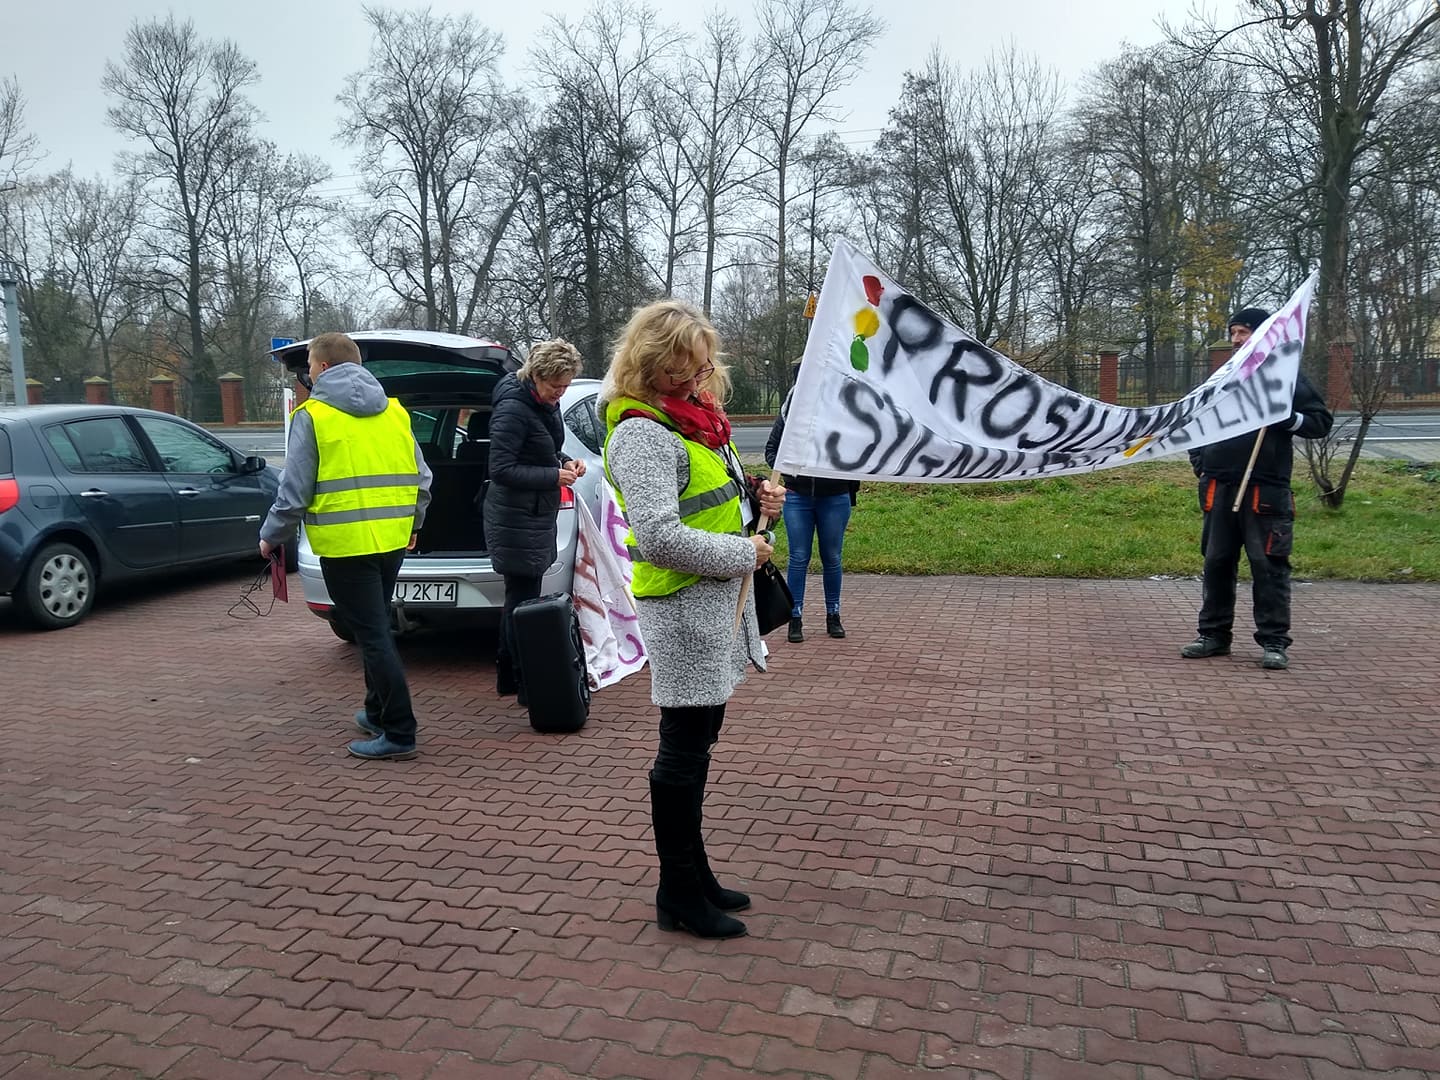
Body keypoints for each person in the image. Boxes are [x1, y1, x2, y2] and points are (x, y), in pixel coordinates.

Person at [600, 299, 785, 940]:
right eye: (684, 369)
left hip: (717, 610)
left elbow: (713, 509)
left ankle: (693, 873)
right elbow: (658, 538)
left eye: (703, 367)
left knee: (700, 744)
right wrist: (747, 551)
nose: (698, 379)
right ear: (651, 366)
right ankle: (677, 889)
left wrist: (760, 502)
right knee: (682, 749)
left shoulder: (700, 424)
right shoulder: (640, 434)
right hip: (681, 609)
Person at [259, 332, 433, 760]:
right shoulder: (394, 412)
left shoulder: (313, 415)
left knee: (372, 634)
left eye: (310, 367)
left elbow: (294, 489)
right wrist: (413, 524)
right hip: (391, 539)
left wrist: (271, 534)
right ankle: (377, 712)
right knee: (375, 627)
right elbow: (423, 480)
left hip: (344, 544)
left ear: (319, 367)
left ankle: (399, 731)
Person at [1180, 307, 1334, 671]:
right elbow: (1194, 421)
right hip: (1219, 485)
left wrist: (1289, 419)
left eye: (1243, 331)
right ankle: (1214, 635)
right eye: (1233, 332)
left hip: (1266, 489)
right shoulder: (1223, 377)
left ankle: (1274, 641)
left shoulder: (1286, 378)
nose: (1235, 339)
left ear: (1264, 334)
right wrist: (1201, 462)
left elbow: (1320, 421)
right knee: (1217, 562)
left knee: (1268, 566)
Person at [483, 339, 587, 701]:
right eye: (555, 385)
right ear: (536, 376)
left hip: (534, 512)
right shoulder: (513, 408)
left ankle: (512, 677)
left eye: (566, 386)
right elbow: (501, 468)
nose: (560, 393)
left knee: (523, 596)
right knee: (522, 598)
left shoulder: (543, 402)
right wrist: (552, 477)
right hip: (515, 515)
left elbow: (544, 447)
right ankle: (523, 678)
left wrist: (565, 462)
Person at [765, 360, 860, 643]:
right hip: (798, 498)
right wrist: (792, 470)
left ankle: (834, 615)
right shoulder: (789, 413)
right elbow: (772, 451)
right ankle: (795, 617)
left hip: (835, 498)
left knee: (832, 558)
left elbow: (857, 453)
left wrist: (844, 479)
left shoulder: (843, 413)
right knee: (798, 558)